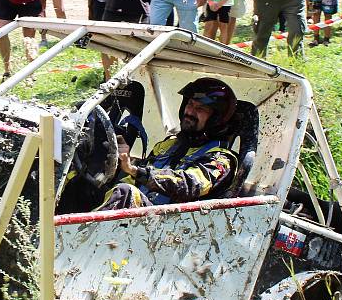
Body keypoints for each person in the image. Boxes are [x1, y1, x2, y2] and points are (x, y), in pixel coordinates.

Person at [97, 78, 238, 210]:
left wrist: (134, 170)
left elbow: (189, 184)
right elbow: (133, 179)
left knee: (125, 192)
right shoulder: (168, 146)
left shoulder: (221, 160)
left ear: (215, 118)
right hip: (138, 219)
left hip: (172, 227)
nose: (190, 112)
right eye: (189, 104)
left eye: (200, 108)